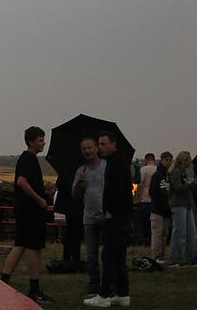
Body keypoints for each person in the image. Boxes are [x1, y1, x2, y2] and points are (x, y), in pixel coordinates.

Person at [0, 126, 53, 304]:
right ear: (31, 142)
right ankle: (34, 289)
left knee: (20, 245)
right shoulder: (29, 159)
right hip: (31, 212)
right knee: (33, 248)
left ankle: (3, 283)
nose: (43, 143)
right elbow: (21, 182)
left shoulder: (26, 159)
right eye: (40, 140)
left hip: (24, 211)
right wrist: (39, 199)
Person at [84, 131, 132, 307]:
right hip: (122, 215)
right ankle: (122, 293)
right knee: (119, 256)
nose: (100, 147)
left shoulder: (116, 163)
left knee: (109, 255)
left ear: (113, 144)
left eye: (103, 144)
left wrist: (110, 210)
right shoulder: (116, 161)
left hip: (116, 216)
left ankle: (104, 296)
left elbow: (117, 190)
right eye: (99, 144)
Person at [72, 137, 107, 296]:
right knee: (92, 256)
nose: (87, 151)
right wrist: (79, 183)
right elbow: (75, 196)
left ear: (96, 148)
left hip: (107, 217)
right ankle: (94, 287)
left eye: (90, 148)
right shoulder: (81, 171)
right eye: (84, 149)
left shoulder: (107, 167)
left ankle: (108, 287)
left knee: (108, 255)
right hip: (89, 218)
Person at [167, 151, 197, 267]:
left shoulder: (183, 172)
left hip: (187, 205)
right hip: (178, 205)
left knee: (191, 233)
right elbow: (178, 188)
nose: (191, 162)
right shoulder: (176, 172)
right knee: (179, 232)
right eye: (189, 159)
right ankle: (175, 259)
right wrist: (190, 184)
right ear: (184, 160)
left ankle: (191, 258)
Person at [149, 152, 172, 264]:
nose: (168, 162)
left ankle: (161, 256)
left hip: (167, 211)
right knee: (157, 234)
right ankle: (156, 256)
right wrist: (160, 204)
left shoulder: (168, 175)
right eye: (166, 159)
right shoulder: (157, 175)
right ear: (161, 160)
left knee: (164, 234)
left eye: (170, 160)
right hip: (157, 210)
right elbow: (152, 192)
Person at [132, 153, 156, 245]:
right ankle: (149, 240)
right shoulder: (157, 169)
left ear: (146, 160)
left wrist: (136, 197)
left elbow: (139, 183)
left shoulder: (144, 169)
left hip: (143, 199)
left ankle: (140, 240)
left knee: (140, 222)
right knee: (150, 223)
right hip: (153, 201)